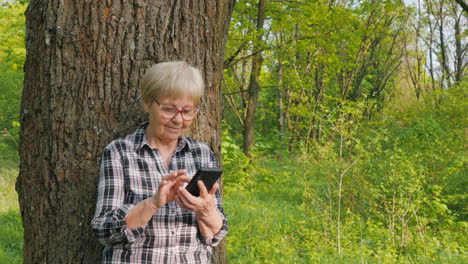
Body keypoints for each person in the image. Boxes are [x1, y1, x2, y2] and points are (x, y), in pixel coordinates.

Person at [91, 61, 228, 263]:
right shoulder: (121, 152)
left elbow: (216, 233)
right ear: (147, 102)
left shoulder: (201, 154)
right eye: (169, 109)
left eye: (187, 111)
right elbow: (103, 230)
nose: (178, 120)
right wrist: (153, 203)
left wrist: (205, 210)